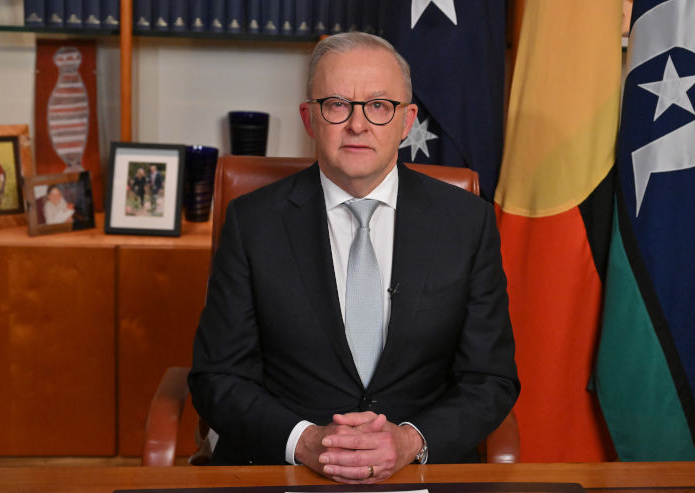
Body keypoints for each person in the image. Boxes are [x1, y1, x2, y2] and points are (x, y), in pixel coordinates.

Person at [188, 32, 519, 484]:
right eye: (337, 104)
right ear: (309, 118)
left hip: (418, 472)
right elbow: (217, 378)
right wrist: (305, 442)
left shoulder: (467, 223)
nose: (358, 125)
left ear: (407, 121)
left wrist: (409, 442)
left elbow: (490, 379)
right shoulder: (253, 223)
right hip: (281, 466)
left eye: (379, 105)